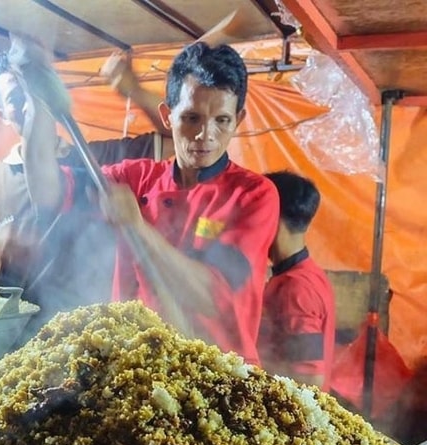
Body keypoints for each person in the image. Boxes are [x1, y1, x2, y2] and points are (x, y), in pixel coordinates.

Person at [19, 41, 280, 365]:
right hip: (136, 370)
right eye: (191, 118)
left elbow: (212, 298)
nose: (205, 135)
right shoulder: (135, 178)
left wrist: (137, 226)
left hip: (220, 381)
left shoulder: (253, 194)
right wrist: (38, 102)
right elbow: (46, 190)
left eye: (222, 121)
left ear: (238, 119)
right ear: (166, 116)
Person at [0, 50, 173, 338]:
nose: (28, 105)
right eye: (15, 97)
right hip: (17, 329)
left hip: (93, 326)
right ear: (1, 114)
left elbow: (176, 132)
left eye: (34, 91)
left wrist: (133, 89)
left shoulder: (97, 159)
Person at [258, 170, 336, 389]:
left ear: (273, 215)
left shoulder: (296, 288)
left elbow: (310, 377)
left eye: (257, 211)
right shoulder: (308, 273)